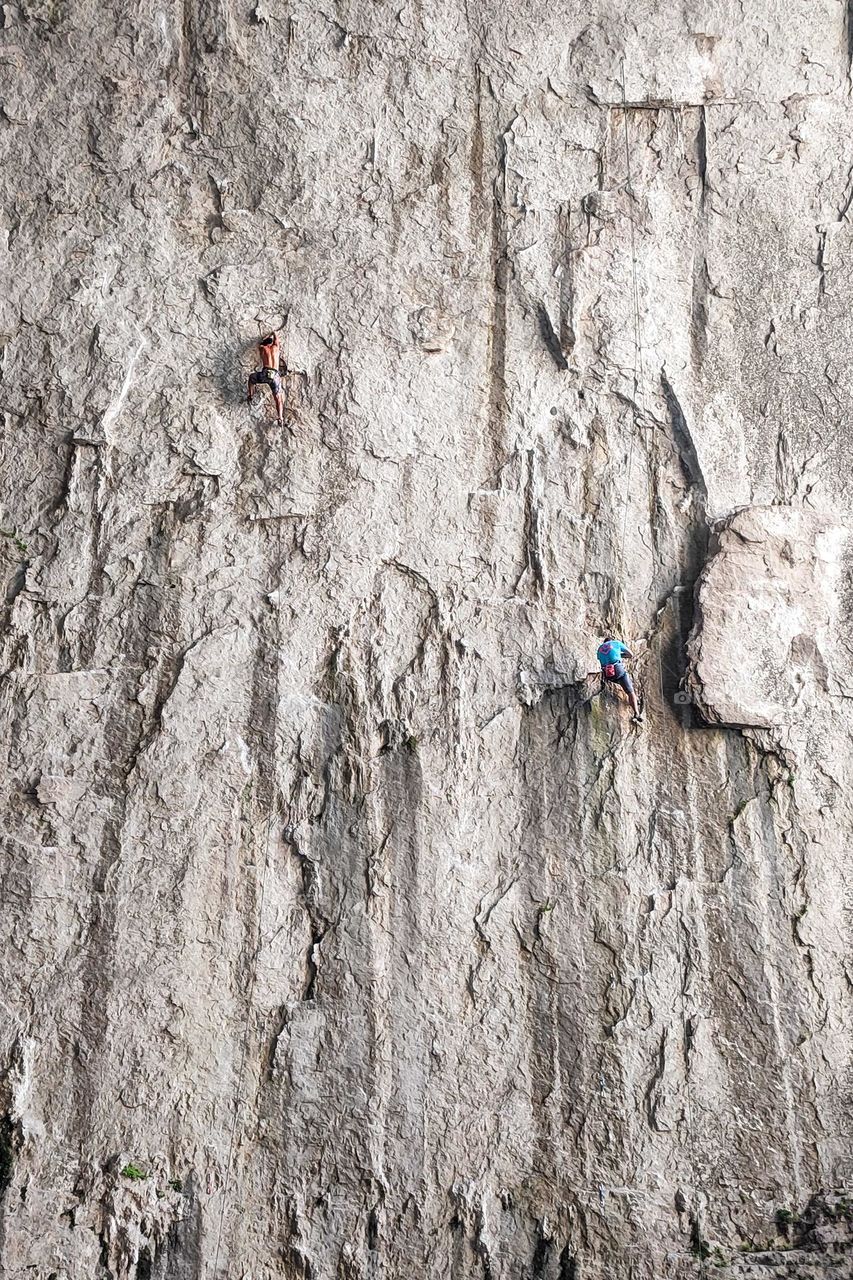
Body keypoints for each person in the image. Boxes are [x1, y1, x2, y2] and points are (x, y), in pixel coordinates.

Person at [597, 632, 643, 723]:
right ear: (611, 640)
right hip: (618, 670)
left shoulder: (599, 649)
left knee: (618, 680)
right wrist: (621, 655)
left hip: (608, 674)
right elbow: (631, 654)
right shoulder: (616, 643)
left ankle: (628, 692)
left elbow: (600, 660)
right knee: (630, 691)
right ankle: (636, 712)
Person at [247, 332, 285, 426]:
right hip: (275, 375)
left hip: (265, 373)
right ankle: (280, 417)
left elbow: (260, 342)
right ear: (272, 343)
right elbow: (276, 338)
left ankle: (251, 395)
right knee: (278, 398)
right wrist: (273, 333)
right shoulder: (276, 348)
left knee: (252, 378)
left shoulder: (263, 348)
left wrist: (265, 338)